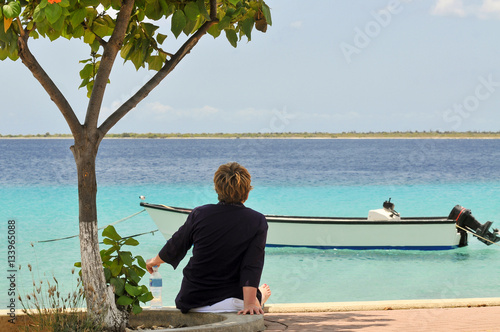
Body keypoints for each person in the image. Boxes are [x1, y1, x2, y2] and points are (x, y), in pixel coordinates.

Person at [146, 162, 271, 315]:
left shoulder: (199, 214)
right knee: (257, 297)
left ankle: (257, 298)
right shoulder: (257, 221)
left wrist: (154, 261)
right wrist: (250, 302)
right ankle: (259, 297)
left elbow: (176, 244)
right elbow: (251, 265)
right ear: (247, 193)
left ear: (217, 189)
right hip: (234, 302)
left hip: (193, 301)